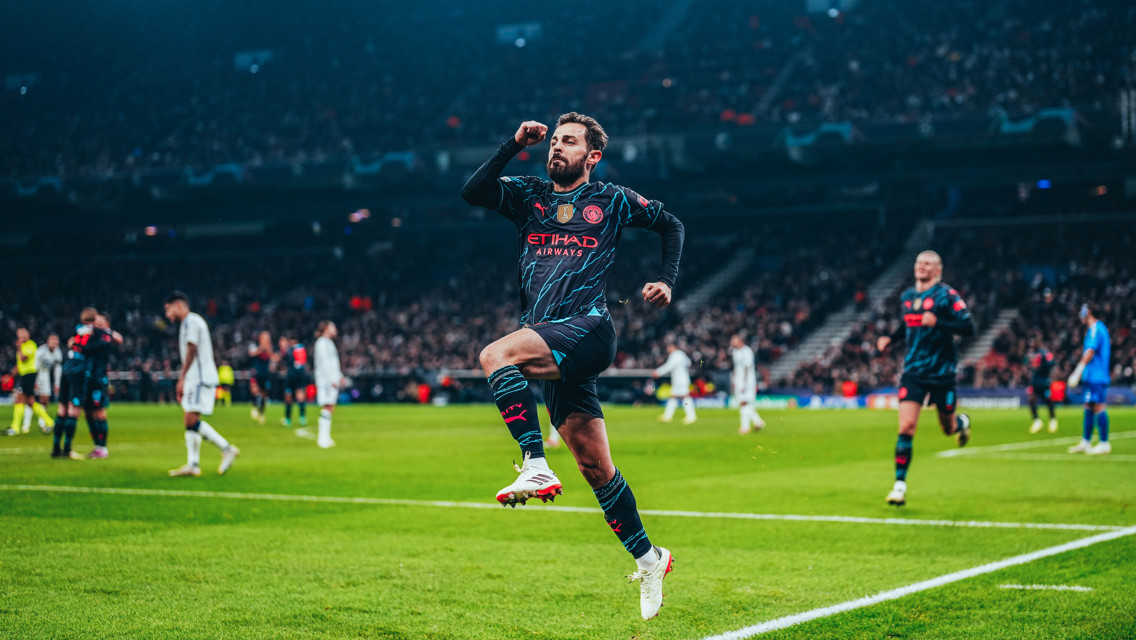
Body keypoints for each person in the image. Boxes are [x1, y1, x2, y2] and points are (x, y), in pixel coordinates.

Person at [461, 113, 684, 620]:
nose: (556, 148)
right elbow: (473, 192)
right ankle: (651, 559)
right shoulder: (529, 196)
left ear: (593, 156)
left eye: (569, 142)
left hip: (587, 328)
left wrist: (667, 280)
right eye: (554, 141)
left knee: (495, 355)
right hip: (549, 343)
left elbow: (671, 224)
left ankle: (535, 464)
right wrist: (511, 145)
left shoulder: (612, 199)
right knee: (595, 468)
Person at [876, 250, 975, 507]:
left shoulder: (947, 296)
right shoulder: (907, 297)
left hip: (943, 373)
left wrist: (939, 323)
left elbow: (968, 327)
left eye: (927, 263)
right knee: (906, 427)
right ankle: (899, 486)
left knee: (947, 429)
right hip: (914, 372)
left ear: (938, 270)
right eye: (919, 262)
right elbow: (907, 325)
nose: (921, 266)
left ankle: (961, 423)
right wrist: (891, 339)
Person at [164, 292, 240, 477]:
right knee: (189, 418)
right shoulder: (190, 322)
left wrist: (182, 377)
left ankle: (226, 448)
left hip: (198, 377)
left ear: (179, 306)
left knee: (191, 419)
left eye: (168, 309)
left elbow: (192, 347)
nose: (167, 315)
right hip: (196, 377)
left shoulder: (191, 321)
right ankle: (193, 464)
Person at [53, 308, 111, 459]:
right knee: (75, 410)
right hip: (79, 373)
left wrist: (73, 344)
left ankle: (55, 448)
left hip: (67, 369)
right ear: (94, 320)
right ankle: (67, 449)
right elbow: (90, 347)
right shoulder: (94, 334)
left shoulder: (76, 331)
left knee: (63, 408)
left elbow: (70, 342)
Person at [1067, 303, 1111, 455]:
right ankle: (1086, 441)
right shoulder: (1095, 329)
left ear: (1089, 311)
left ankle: (1104, 443)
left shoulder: (1096, 329)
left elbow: (1090, 351)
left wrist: (1077, 371)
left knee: (1098, 406)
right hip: (1092, 376)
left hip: (1097, 376)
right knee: (1088, 406)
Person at [82, 313, 123, 459]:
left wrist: (105, 331)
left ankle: (103, 447)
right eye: (95, 320)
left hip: (99, 379)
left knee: (99, 411)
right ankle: (97, 445)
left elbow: (119, 339)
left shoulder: (104, 336)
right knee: (88, 413)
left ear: (106, 323)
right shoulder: (88, 335)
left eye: (100, 320)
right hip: (86, 379)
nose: (97, 322)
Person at [8, 328, 53, 436]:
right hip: (24, 375)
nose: (21, 336)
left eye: (23, 334)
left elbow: (23, 358)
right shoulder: (23, 346)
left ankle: (15, 427)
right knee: (30, 401)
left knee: (20, 399)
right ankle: (49, 422)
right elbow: (19, 365)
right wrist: (10, 375)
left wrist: (18, 347)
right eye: (19, 334)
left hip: (30, 375)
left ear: (28, 334)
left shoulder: (31, 345)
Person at [312, 321, 343, 449]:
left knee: (330, 407)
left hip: (331, 380)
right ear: (326, 328)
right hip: (326, 381)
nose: (335, 329)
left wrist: (339, 376)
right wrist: (332, 380)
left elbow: (333, 363)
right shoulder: (322, 343)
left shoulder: (328, 343)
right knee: (327, 406)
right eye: (332, 326)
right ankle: (322, 439)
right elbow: (325, 364)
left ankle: (326, 437)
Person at [653, 342, 696, 424]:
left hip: (680, 380)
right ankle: (667, 416)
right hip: (681, 379)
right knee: (673, 397)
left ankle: (691, 416)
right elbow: (689, 363)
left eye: (668, 348)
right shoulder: (682, 354)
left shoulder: (675, 355)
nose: (667, 350)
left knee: (685, 396)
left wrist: (658, 372)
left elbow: (669, 366)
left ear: (673, 347)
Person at [730, 334, 765, 434]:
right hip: (738, 380)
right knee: (743, 402)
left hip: (747, 381)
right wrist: (734, 380)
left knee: (744, 402)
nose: (732, 341)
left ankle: (745, 427)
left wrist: (743, 382)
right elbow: (736, 368)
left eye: (734, 339)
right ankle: (758, 421)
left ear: (740, 340)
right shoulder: (735, 352)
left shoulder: (747, 351)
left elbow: (747, 367)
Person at [33, 334, 63, 432]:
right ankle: (30, 422)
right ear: (48, 341)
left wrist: (57, 384)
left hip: (46, 375)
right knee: (34, 399)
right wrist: (35, 381)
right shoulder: (41, 351)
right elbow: (35, 366)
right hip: (38, 374)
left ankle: (42, 422)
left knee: (45, 399)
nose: (54, 342)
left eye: (56, 340)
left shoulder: (58, 352)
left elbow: (57, 369)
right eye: (52, 340)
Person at [1026, 340, 1058, 434]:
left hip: (1044, 381)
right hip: (1034, 381)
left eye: (1033, 342)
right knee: (1031, 399)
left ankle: (1052, 420)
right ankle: (1037, 421)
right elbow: (1030, 366)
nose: (1031, 344)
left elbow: (1052, 364)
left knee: (1048, 400)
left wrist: (1051, 378)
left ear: (1038, 343)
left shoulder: (1045, 353)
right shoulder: (1032, 354)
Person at [279, 336, 310, 427]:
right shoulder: (302, 348)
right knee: (300, 395)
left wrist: (283, 348)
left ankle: (288, 419)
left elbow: (284, 357)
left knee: (288, 396)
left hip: (291, 375)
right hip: (301, 374)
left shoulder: (290, 349)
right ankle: (302, 417)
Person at [248, 331, 274, 424]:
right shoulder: (254, 346)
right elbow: (251, 353)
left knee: (264, 394)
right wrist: (261, 349)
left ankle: (261, 412)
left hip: (265, 373)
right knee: (254, 390)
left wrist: (268, 350)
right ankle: (254, 406)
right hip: (256, 371)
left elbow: (273, 357)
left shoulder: (269, 348)